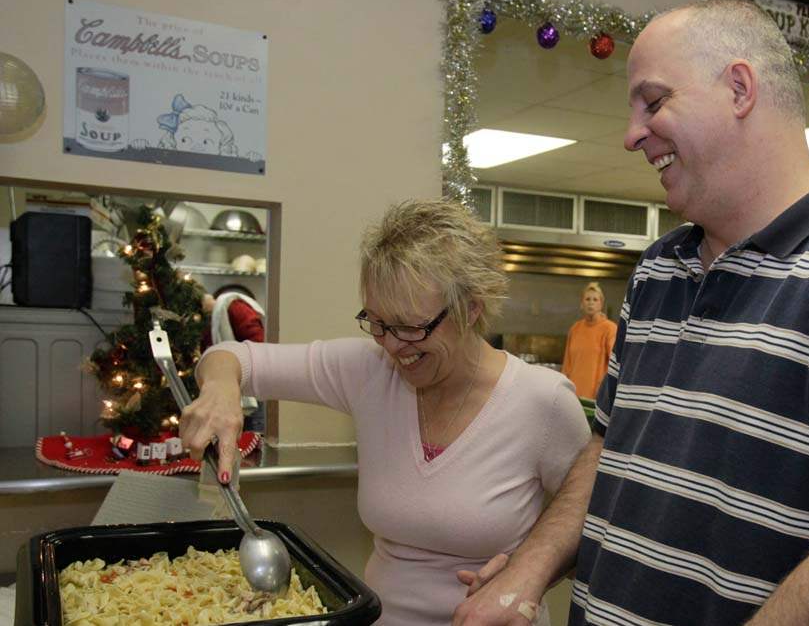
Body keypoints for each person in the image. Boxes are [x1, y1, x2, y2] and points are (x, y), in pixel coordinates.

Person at [453, 0, 809, 626]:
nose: (632, 133)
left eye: (654, 101)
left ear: (740, 88)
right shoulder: (657, 269)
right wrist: (530, 568)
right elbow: (609, 448)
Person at [180, 198, 591, 626]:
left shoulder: (542, 402)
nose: (393, 346)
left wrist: (529, 574)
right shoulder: (368, 371)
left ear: (471, 308)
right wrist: (221, 390)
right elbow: (233, 357)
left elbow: (589, 525)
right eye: (377, 323)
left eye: (412, 326)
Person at [201, 283, 267, 433]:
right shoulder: (213, 318)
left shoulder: (235, 308)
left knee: (251, 434)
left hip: (251, 385)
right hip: (228, 385)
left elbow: (259, 342)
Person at [561, 282, 617, 399]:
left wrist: (605, 390)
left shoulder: (610, 329)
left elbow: (615, 364)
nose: (591, 302)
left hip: (597, 397)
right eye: (587, 299)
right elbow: (567, 364)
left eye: (595, 299)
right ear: (581, 303)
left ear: (601, 304)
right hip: (573, 395)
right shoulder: (575, 329)